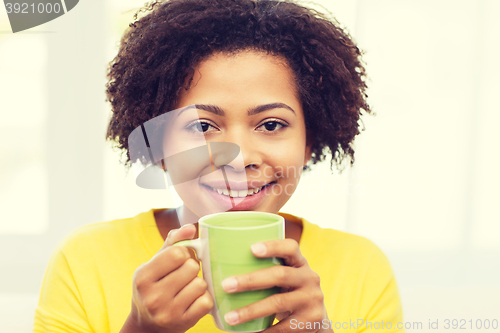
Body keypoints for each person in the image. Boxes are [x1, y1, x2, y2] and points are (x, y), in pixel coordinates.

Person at [34, 0, 405, 332]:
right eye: (202, 126)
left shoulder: (361, 270)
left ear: (309, 143)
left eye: (271, 125)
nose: (239, 158)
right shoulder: (86, 262)